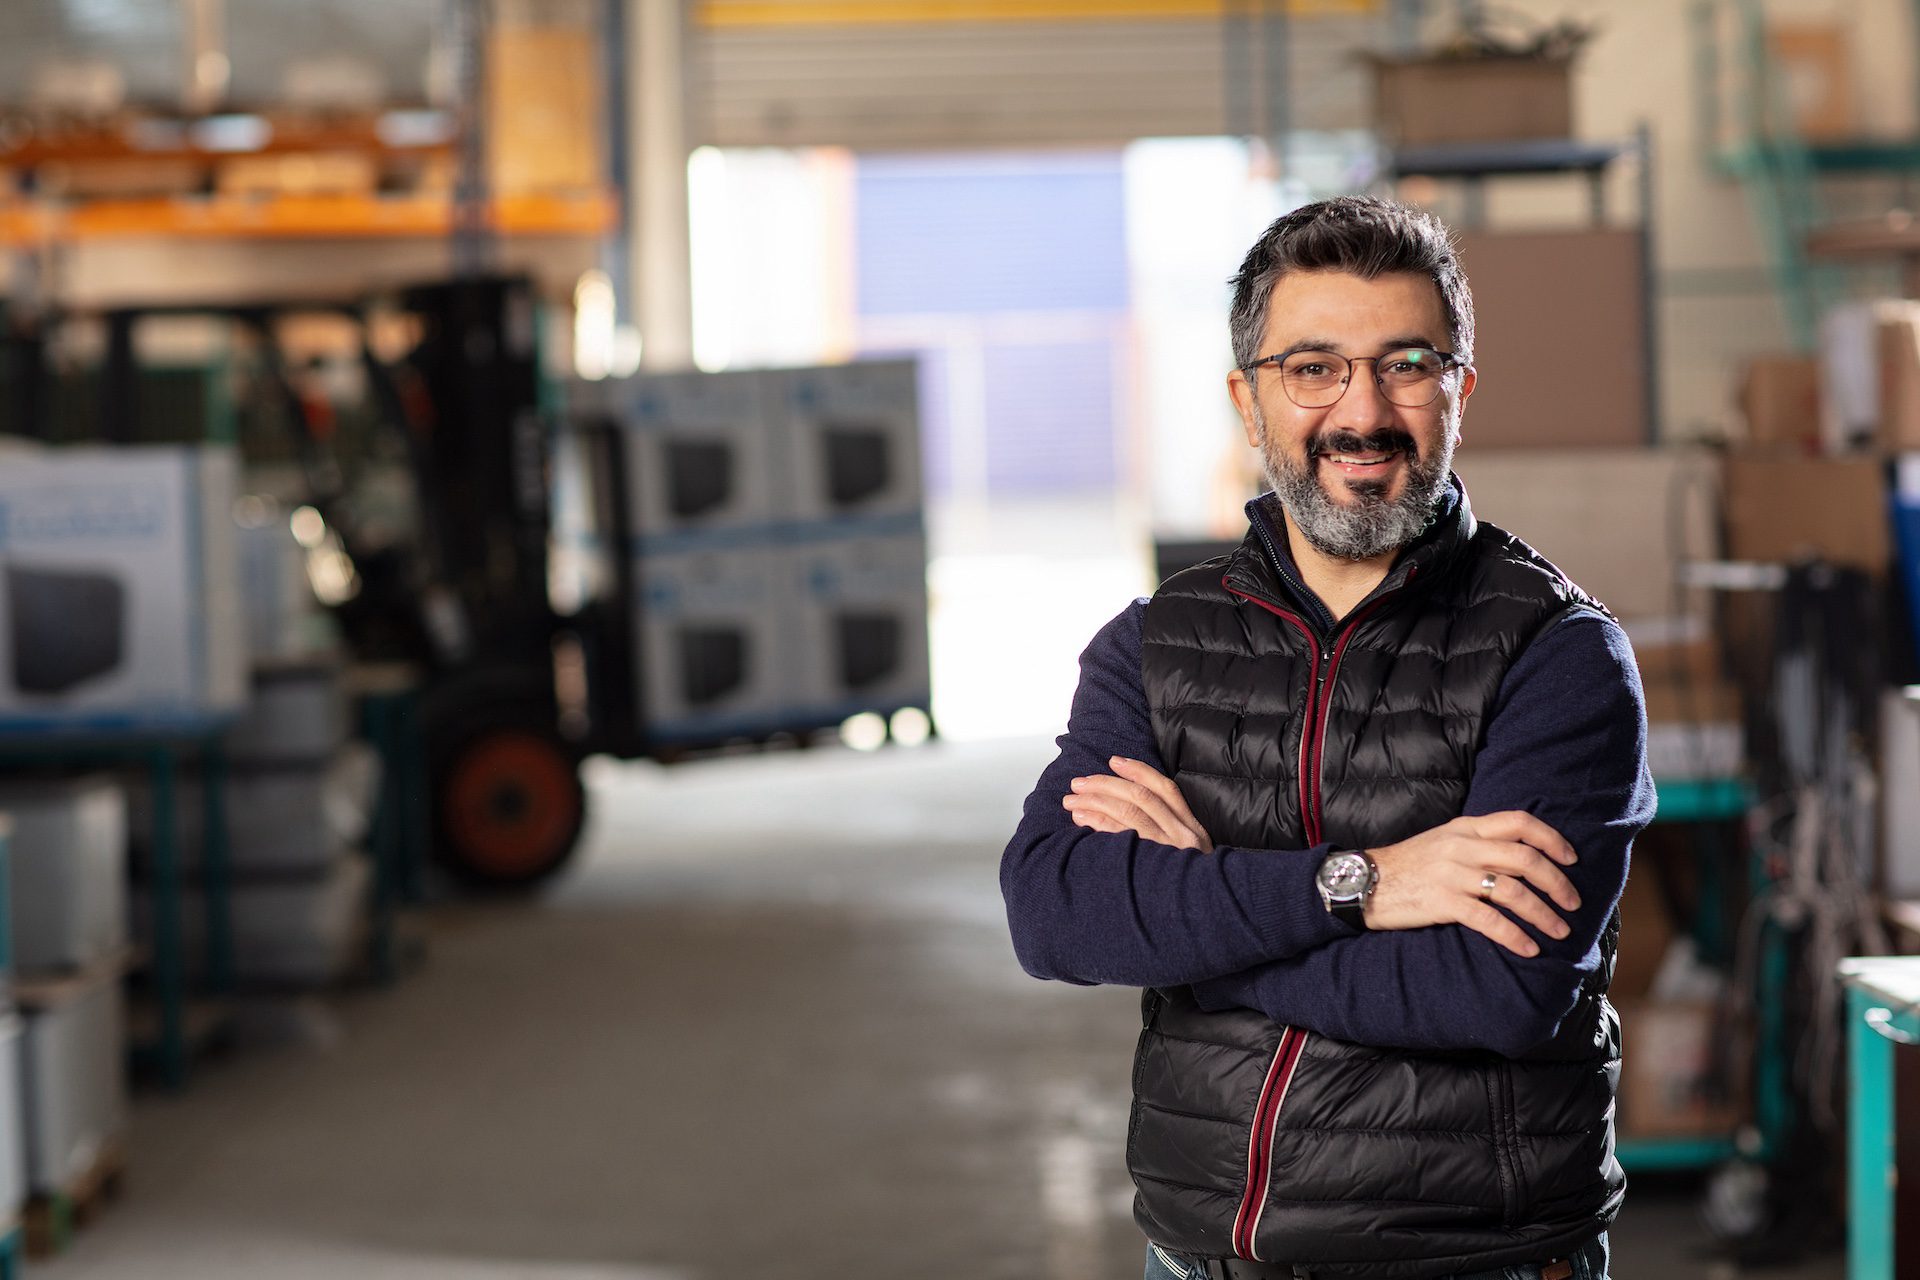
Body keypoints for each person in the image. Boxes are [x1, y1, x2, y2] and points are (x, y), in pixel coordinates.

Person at [1000, 195, 1654, 1280]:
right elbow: (1056, 908)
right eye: (1312, 368)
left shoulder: (1556, 654)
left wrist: (1202, 913)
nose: (1363, 411)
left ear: (1460, 391)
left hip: (1462, 1258)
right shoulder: (1160, 642)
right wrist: (1353, 886)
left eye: (1405, 363)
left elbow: (1496, 987)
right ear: (1247, 402)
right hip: (1198, 1253)